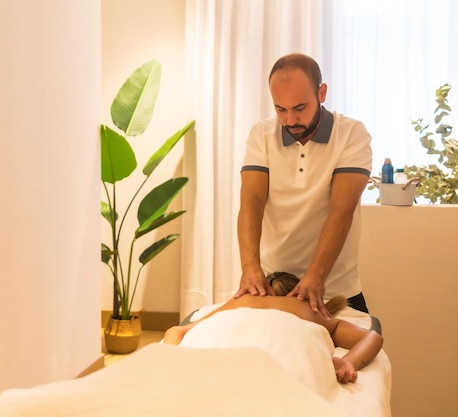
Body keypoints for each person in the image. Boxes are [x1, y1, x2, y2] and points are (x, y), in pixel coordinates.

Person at [235, 53, 372, 317]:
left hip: (335, 287)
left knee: (359, 350)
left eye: (299, 108)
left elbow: (341, 210)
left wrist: (316, 276)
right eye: (280, 109)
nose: (289, 120)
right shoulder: (261, 135)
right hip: (273, 285)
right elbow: (251, 202)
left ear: (322, 93)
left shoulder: (351, 134)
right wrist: (250, 268)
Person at [164, 272, 383, 384]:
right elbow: (373, 338)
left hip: (214, 360)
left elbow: (175, 332)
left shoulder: (240, 301)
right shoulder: (310, 310)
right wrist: (348, 362)